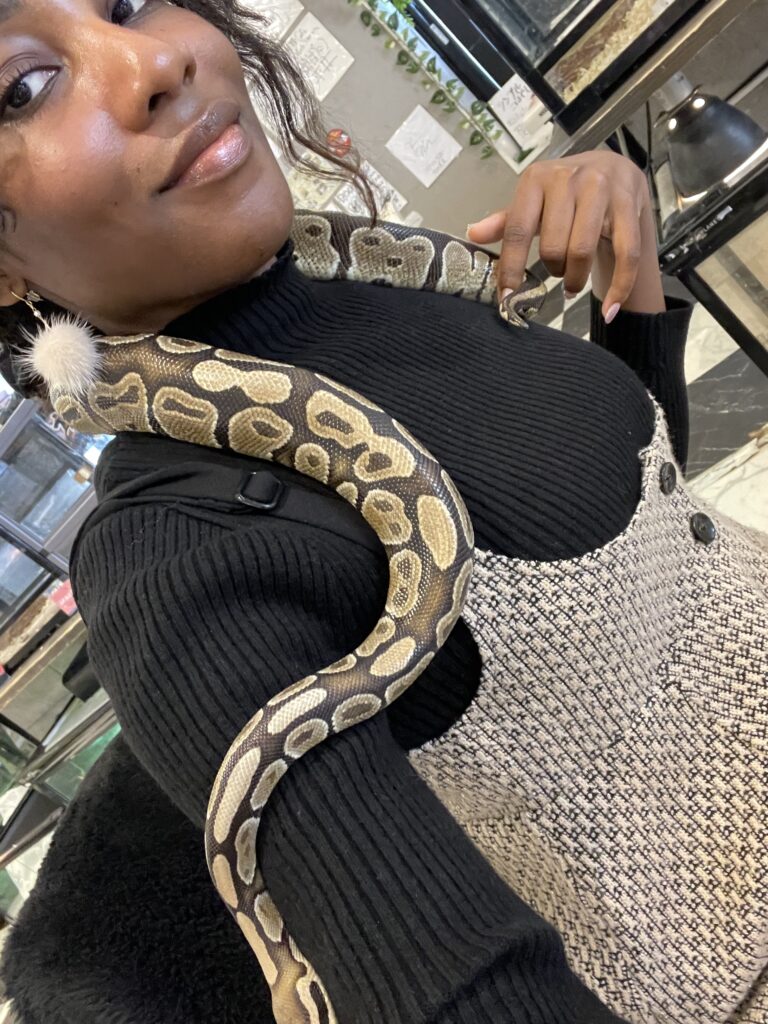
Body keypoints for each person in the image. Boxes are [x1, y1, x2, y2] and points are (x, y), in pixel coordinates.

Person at [0, 1, 765, 1022]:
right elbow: (464, 993)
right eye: (24, 85)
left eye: (130, 2)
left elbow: (641, 528)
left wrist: (633, 267)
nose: (150, 63)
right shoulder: (173, 559)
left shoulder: (392, 280)